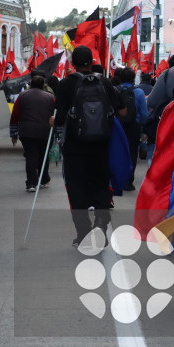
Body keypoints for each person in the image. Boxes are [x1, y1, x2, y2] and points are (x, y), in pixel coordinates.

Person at [54, 46, 126, 247]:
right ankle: (101, 223)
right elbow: (123, 111)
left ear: (72, 63)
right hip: (101, 145)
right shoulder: (104, 82)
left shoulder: (66, 84)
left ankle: (83, 234)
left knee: (76, 190)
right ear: (91, 62)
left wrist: (55, 121)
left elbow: (60, 117)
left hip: (74, 147)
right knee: (101, 185)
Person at [10, 75, 55, 192]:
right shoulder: (50, 97)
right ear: (43, 85)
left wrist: (14, 134)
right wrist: (59, 133)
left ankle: (31, 183)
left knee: (31, 157)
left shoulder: (22, 96)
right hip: (44, 131)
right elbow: (55, 115)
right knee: (43, 156)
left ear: (30, 84)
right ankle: (43, 179)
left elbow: (15, 115)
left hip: (26, 132)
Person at [115, 67, 148, 190]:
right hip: (134, 126)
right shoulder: (139, 92)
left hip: (117, 126)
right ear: (134, 78)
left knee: (118, 151)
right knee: (132, 153)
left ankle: (117, 179)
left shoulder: (114, 90)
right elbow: (144, 114)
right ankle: (129, 181)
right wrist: (142, 125)